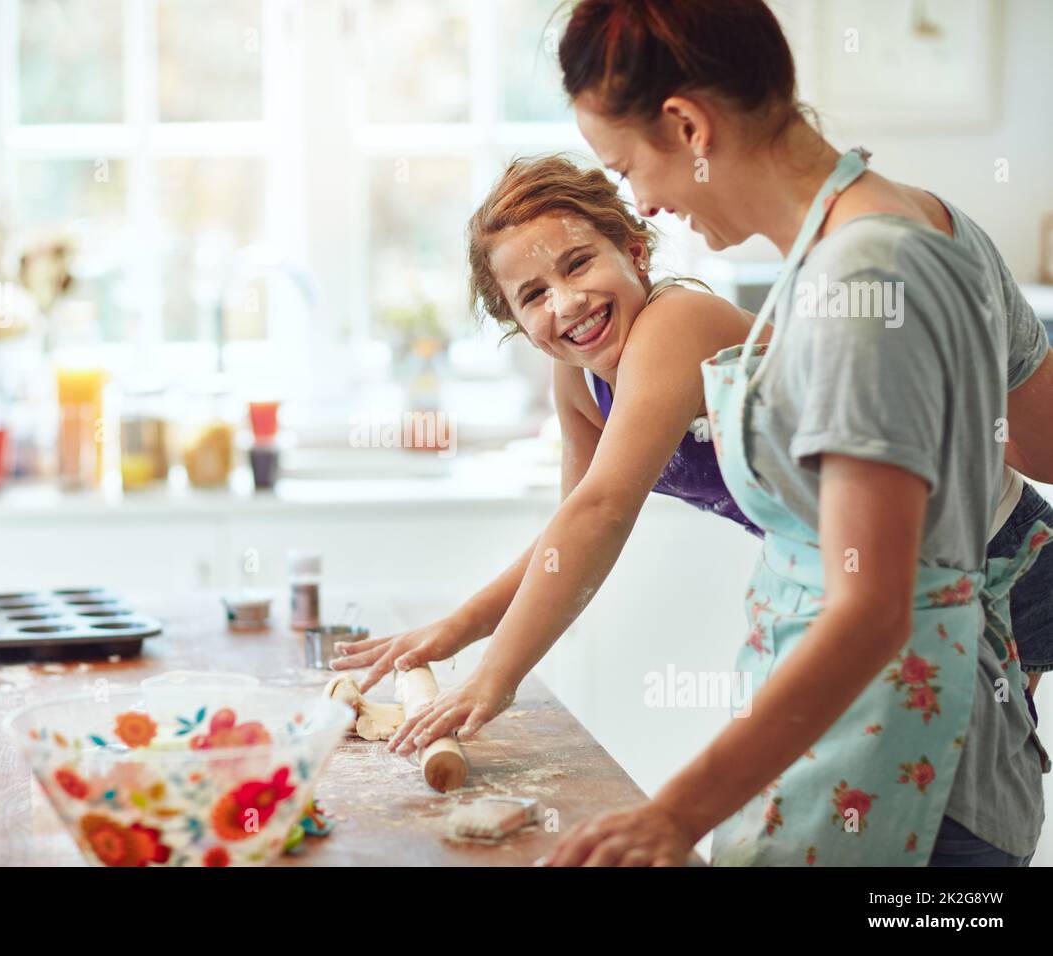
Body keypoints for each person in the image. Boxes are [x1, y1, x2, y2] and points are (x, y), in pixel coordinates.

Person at [342, 0, 1053, 866]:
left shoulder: (863, 275)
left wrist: (673, 814)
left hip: (916, 712)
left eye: (626, 167)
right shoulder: (905, 228)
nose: (643, 199)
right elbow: (1033, 441)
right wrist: (461, 634)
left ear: (686, 126)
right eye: (532, 295)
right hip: (872, 685)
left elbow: (874, 608)